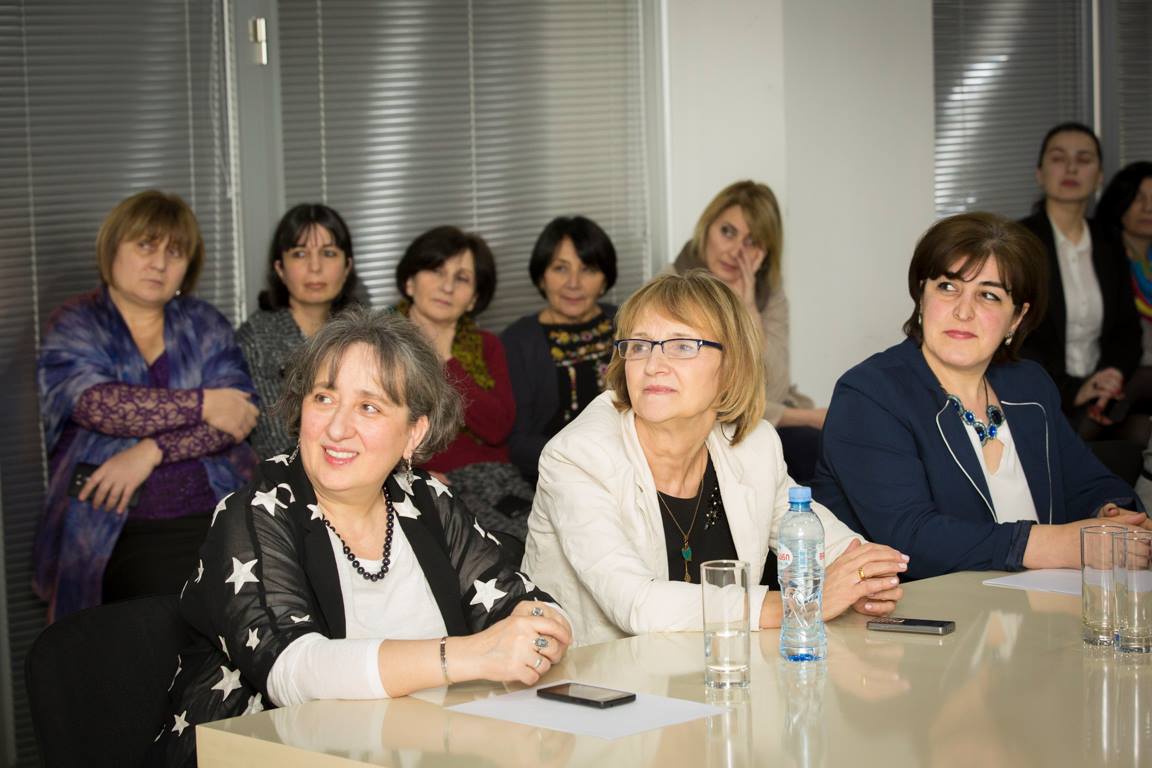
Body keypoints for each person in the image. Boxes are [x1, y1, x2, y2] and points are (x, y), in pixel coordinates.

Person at [158, 309, 571, 768]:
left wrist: (536, 633)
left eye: (369, 407)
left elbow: (535, 607)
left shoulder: (426, 499)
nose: (337, 429)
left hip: (422, 750)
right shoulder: (252, 513)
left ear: (414, 432)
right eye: (323, 398)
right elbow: (291, 671)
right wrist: (470, 655)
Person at [524, 270, 908, 647]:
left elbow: (826, 543)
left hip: (719, 667)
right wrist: (801, 604)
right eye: (639, 346)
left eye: (682, 346)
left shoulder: (754, 445)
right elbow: (636, 603)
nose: (653, 365)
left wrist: (866, 579)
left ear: (731, 366)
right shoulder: (578, 456)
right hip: (596, 676)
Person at [811, 212, 1149, 581]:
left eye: (989, 295)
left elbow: (1087, 482)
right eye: (947, 287)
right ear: (922, 296)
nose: (963, 311)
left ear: (1017, 318)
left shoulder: (1028, 385)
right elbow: (911, 539)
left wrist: (1112, 516)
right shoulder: (870, 395)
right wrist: (1061, 544)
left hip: (1036, 604)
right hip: (920, 611)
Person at [35, 190, 259, 622]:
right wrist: (205, 403)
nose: (159, 263)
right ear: (112, 249)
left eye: (174, 252)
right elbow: (100, 404)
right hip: (111, 522)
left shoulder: (204, 323)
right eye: (145, 246)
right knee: (159, 613)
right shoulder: (77, 322)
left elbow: (238, 416)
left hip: (216, 508)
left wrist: (150, 452)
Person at [672, 180, 824, 481]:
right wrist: (802, 416)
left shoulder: (768, 294)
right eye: (728, 232)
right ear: (707, 227)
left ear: (765, 253)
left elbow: (774, 388)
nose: (735, 251)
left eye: (752, 241)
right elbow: (706, 398)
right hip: (702, 426)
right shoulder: (671, 289)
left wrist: (749, 308)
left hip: (762, 418)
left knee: (820, 452)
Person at [395, 226, 531, 544]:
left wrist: (445, 359)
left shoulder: (487, 346)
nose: (447, 287)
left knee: (539, 544)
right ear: (410, 281)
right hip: (414, 481)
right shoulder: (381, 345)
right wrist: (410, 476)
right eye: (436, 271)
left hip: (494, 481)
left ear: (473, 299)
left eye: (462, 278)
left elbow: (497, 428)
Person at [1018, 123, 1146, 443]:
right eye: (1058, 158)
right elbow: (1015, 337)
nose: (1071, 168)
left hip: (1101, 388)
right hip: (1043, 391)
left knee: (1138, 432)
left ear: (1099, 176)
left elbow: (1127, 329)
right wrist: (1074, 390)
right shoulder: (1019, 243)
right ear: (1039, 173)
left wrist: (1111, 375)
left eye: (1084, 159)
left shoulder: (1109, 241)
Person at [237, 203, 365, 460]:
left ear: (347, 266)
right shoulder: (255, 339)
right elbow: (275, 441)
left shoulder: (366, 334)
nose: (315, 266)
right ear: (280, 269)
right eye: (300, 254)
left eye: (328, 253)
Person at [501, 216, 618, 482]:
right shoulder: (518, 341)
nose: (573, 283)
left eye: (588, 269)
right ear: (542, 277)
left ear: (604, 280)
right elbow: (517, 442)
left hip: (631, 467)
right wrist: (585, 461)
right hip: (554, 476)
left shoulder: (629, 326)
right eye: (560, 268)